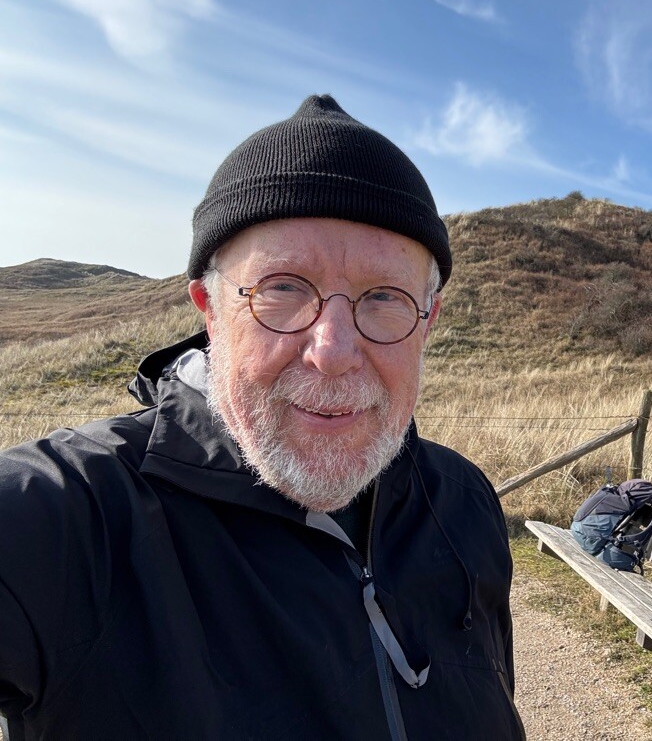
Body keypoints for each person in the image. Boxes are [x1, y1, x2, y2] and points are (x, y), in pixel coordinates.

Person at [0, 95, 524, 740]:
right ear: (209, 308)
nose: (332, 353)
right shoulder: (67, 516)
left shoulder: (463, 501)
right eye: (282, 288)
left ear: (427, 322)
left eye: (384, 298)